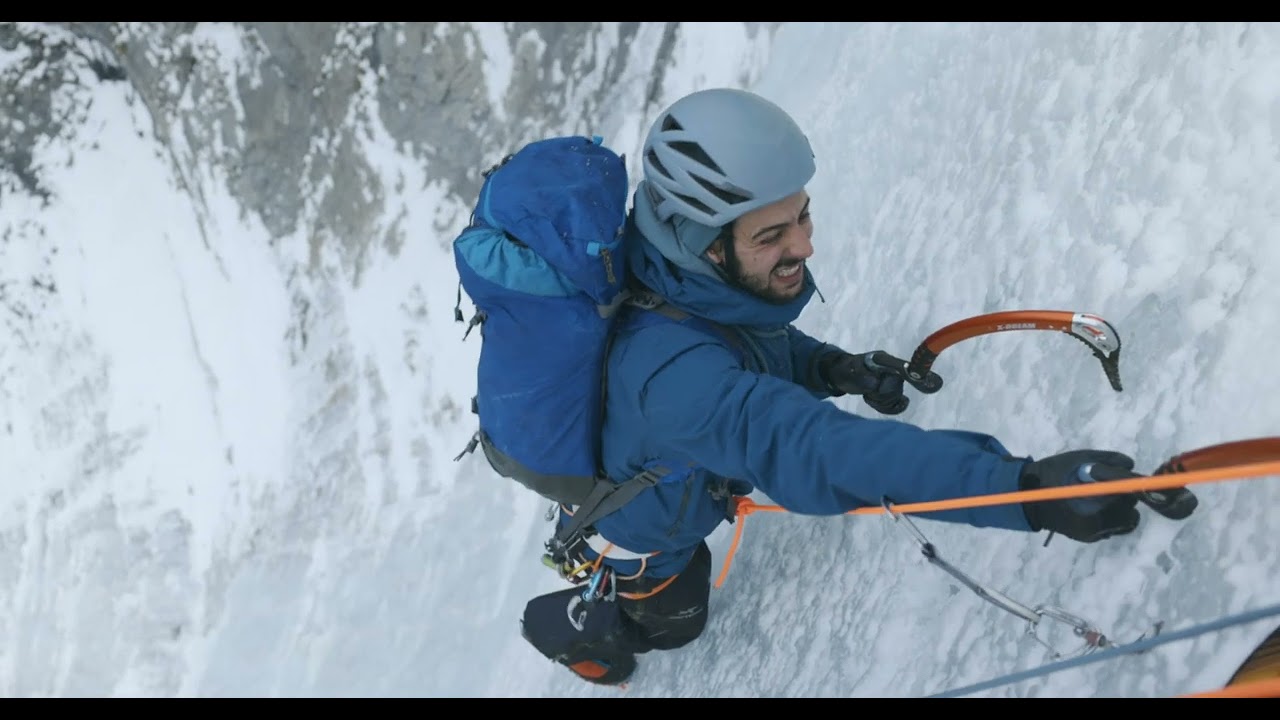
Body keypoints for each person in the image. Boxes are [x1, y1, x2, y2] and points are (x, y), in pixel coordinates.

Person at [537, 87, 1182, 686]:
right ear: (701, 244)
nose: (804, 247)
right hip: (639, 532)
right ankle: (590, 632)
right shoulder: (674, 381)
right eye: (771, 236)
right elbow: (816, 450)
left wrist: (834, 369)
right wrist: (1025, 491)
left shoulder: (687, 286)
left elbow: (750, 347)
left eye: (803, 218)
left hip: (669, 455)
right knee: (676, 621)